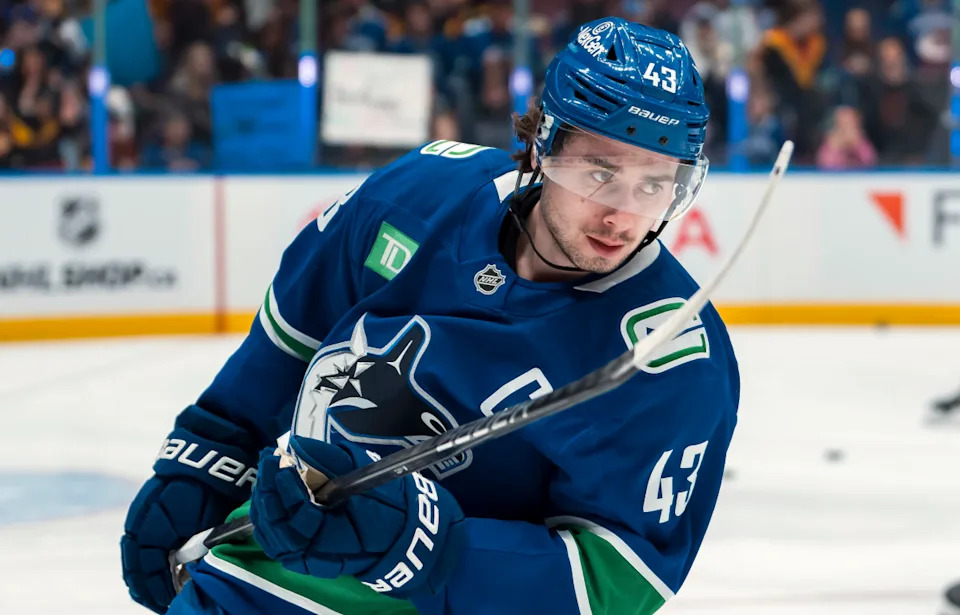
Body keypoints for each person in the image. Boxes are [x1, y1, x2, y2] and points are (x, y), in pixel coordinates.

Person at [121, 17, 740, 615]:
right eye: (600, 173)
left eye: (655, 186)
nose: (622, 216)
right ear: (542, 145)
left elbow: (613, 585)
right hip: (270, 571)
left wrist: (432, 551)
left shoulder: (673, 360)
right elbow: (288, 341)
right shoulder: (420, 193)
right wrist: (201, 463)